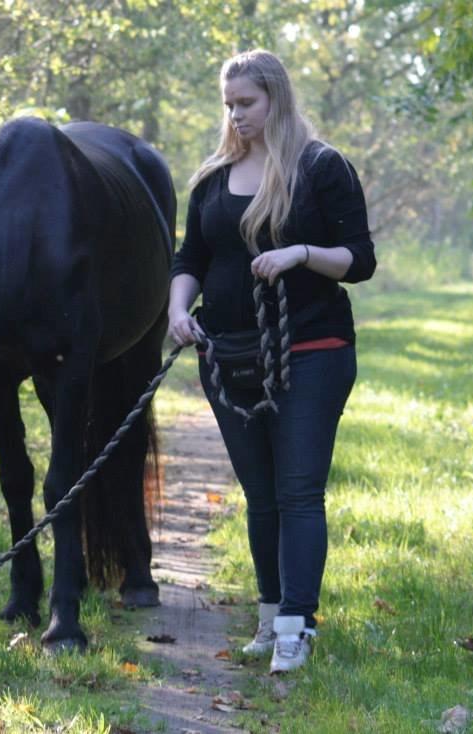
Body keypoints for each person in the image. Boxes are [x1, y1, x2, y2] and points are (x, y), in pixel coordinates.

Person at [168, 49, 376, 673]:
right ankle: (268, 617)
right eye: (228, 104)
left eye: (247, 103)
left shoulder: (321, 168)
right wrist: (179, 313)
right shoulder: (212, 177)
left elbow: (359, 259)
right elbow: (190, 261)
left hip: (312, 351)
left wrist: (300, 253)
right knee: (260, 495)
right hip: (228, 358)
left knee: (298, 491)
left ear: (276, 99)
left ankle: (296, 626)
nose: (236, 115)